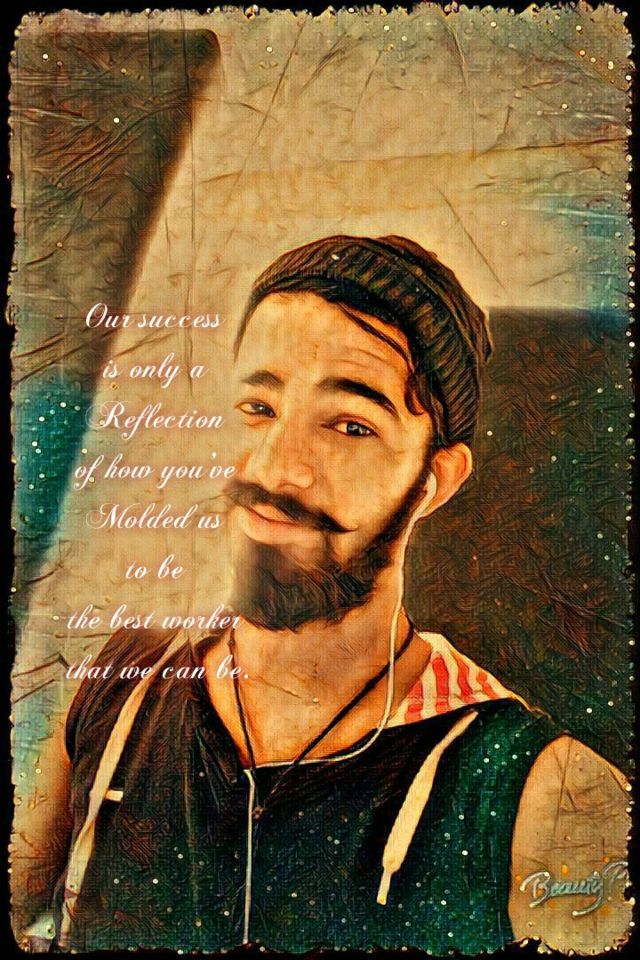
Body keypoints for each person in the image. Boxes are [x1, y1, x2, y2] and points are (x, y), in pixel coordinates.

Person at [14, 236, 631, 954]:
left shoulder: (549, 797)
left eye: (350, 425)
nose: (275, 470)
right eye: (258, 405)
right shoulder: (118, 687)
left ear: (435, 480)